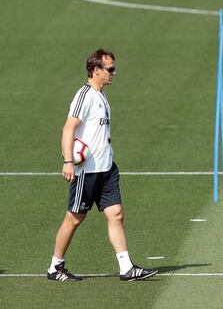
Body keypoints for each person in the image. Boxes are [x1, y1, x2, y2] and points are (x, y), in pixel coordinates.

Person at [47, 49, 157, 282]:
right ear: (96, 71)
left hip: (106, 169)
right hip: (87, 172)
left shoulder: (101, 95)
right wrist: (68, 162)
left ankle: (126, 268)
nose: (114, 73)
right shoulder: (84, 96)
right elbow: (68, 128)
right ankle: (55, 267)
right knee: (74, 218)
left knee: (116, 214)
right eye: (110, 69)